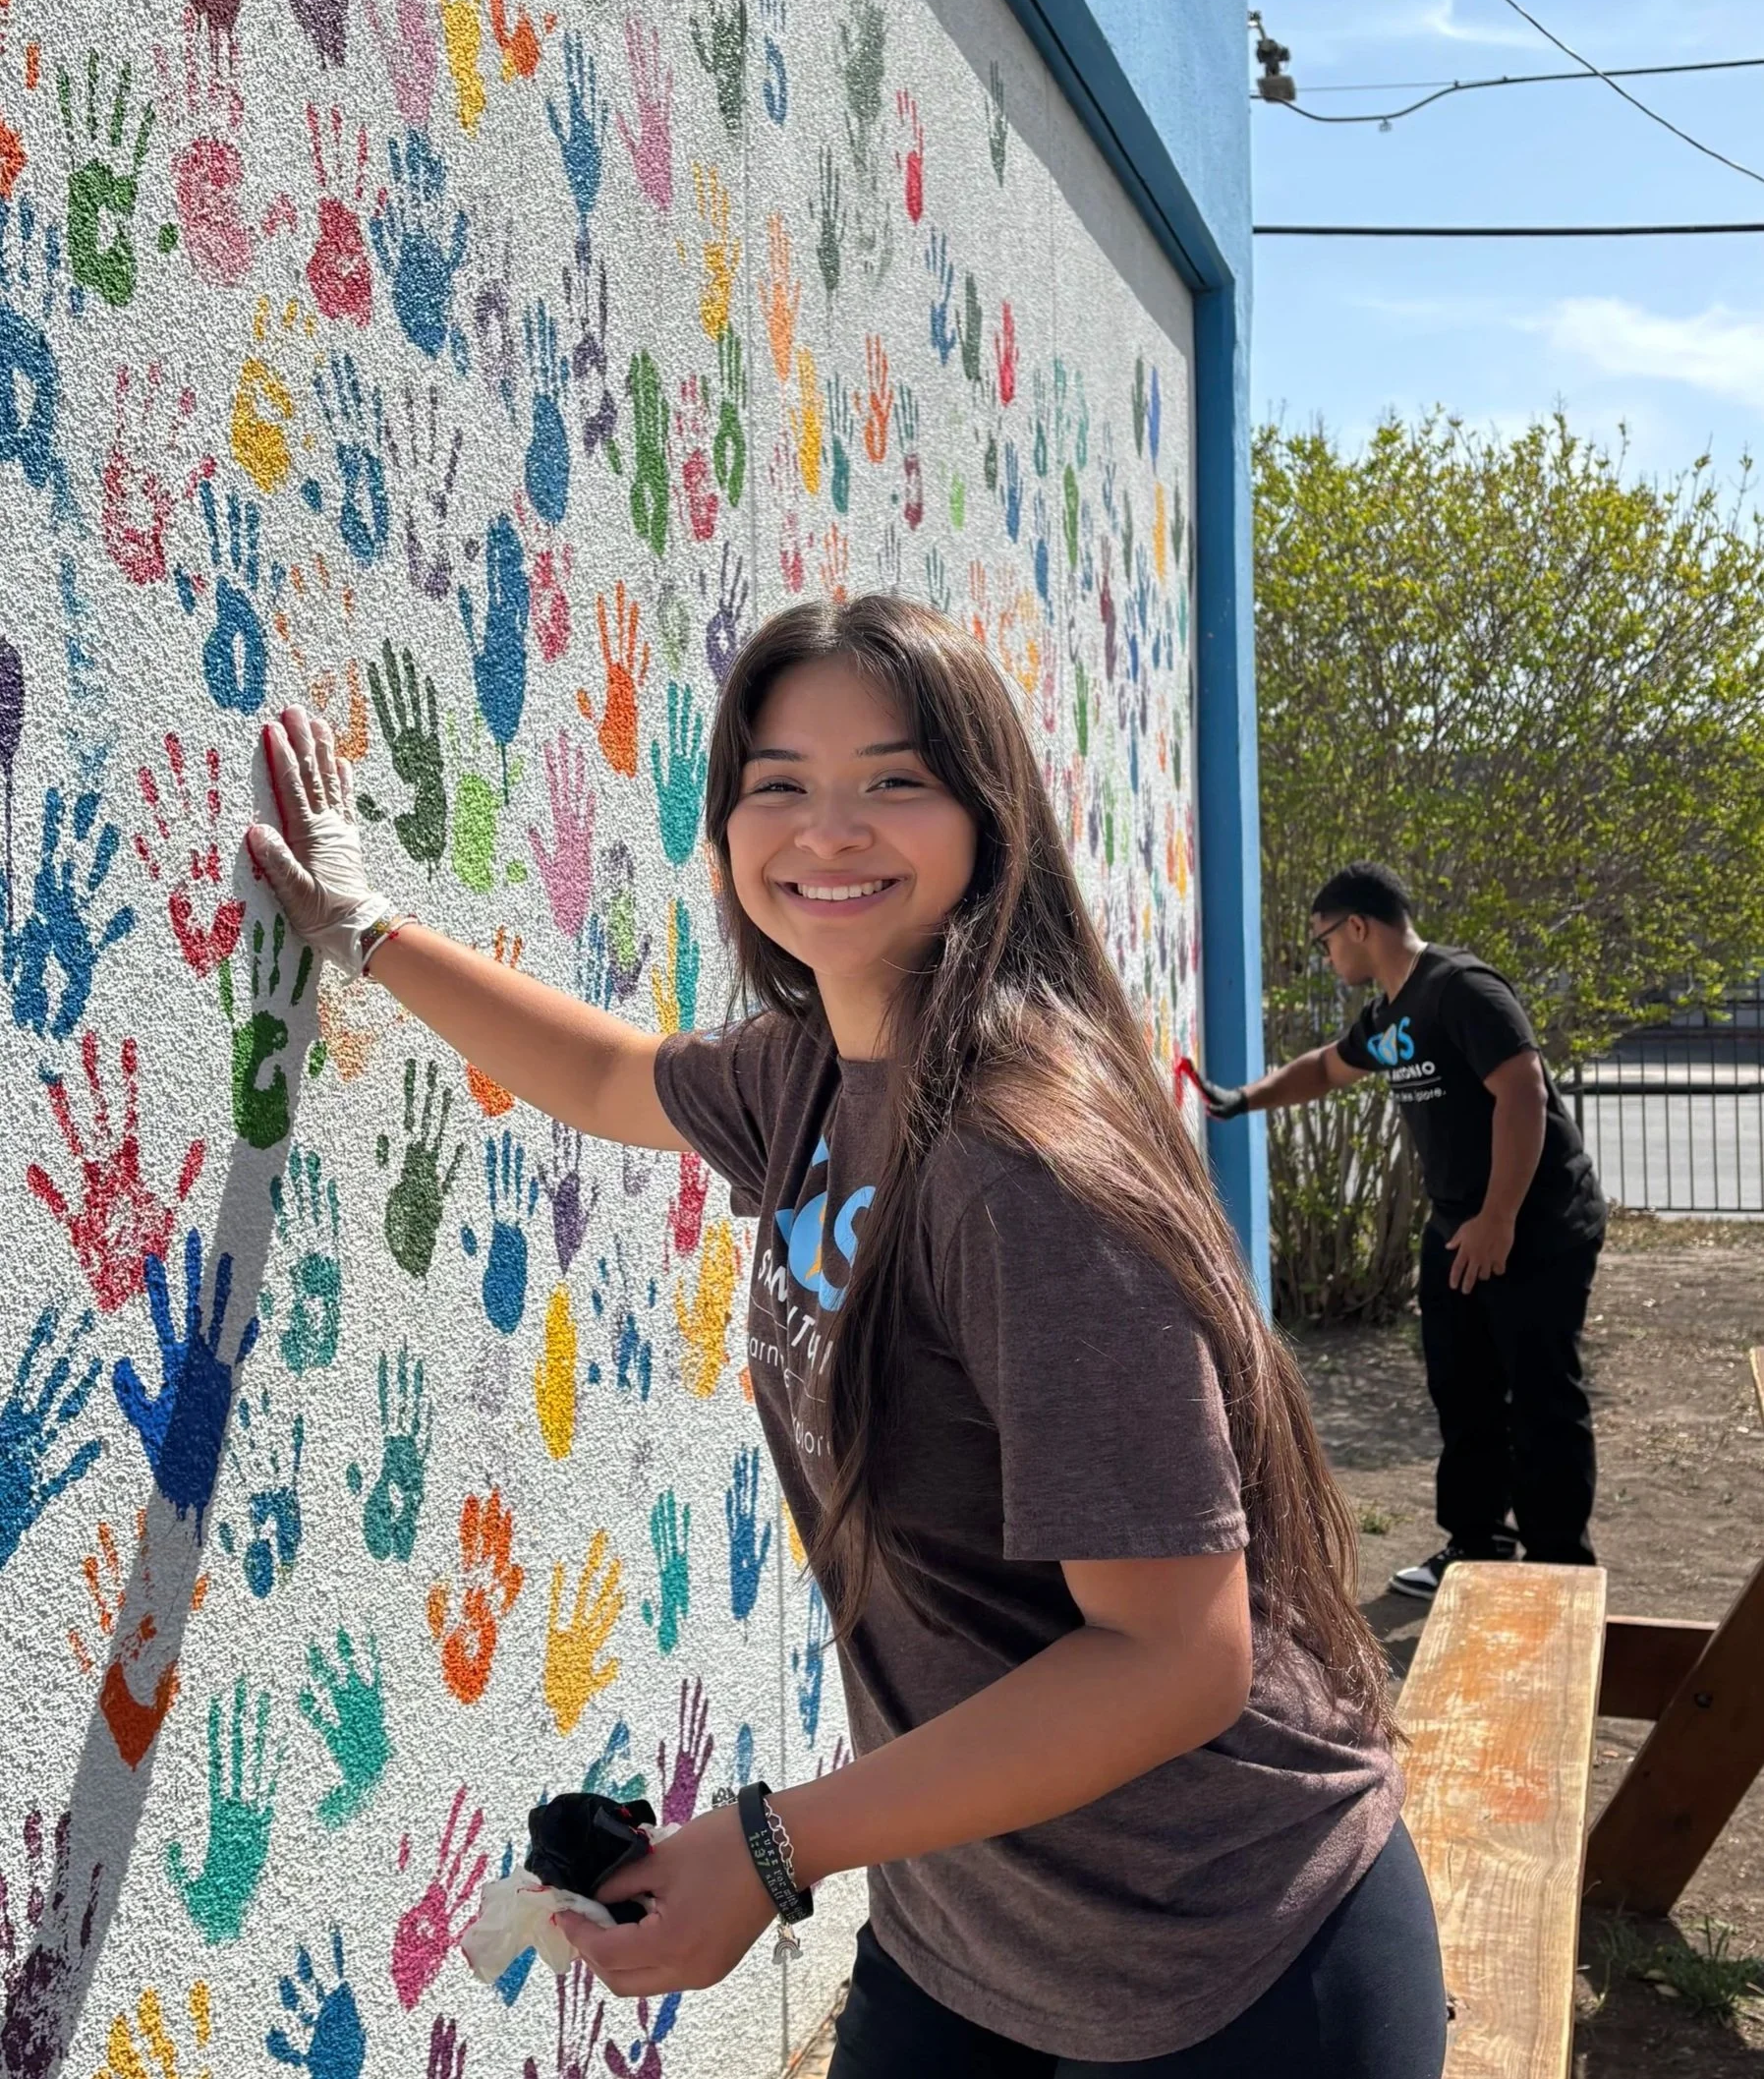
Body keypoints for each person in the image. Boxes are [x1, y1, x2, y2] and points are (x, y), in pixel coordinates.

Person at [247, 600, 1446, 2078]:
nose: (828, 829)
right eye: (778, 783)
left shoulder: (1021, 1171)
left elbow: (1169, 1660)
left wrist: (765, 1848)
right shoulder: (819, 1067)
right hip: (968, 1926)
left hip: (1222, 1953)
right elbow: (613, 1074)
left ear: (984, 817)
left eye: (892, 778)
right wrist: (365, 931)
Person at [1199, 862, 1607, 1602]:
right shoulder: (1392, 1017)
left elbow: (1522, 1092)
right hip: (1460, 1227)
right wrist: (1238, 1100)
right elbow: (1326, 1069)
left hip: (1535, 1225)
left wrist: (1498, 1218)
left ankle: (1560, 1572)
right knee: (1463, 1388)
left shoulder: (1459, 989)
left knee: (1541, 1392)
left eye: (1325, 940)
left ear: (1359, 925)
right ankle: (1476, 1543)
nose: (1325, 957)